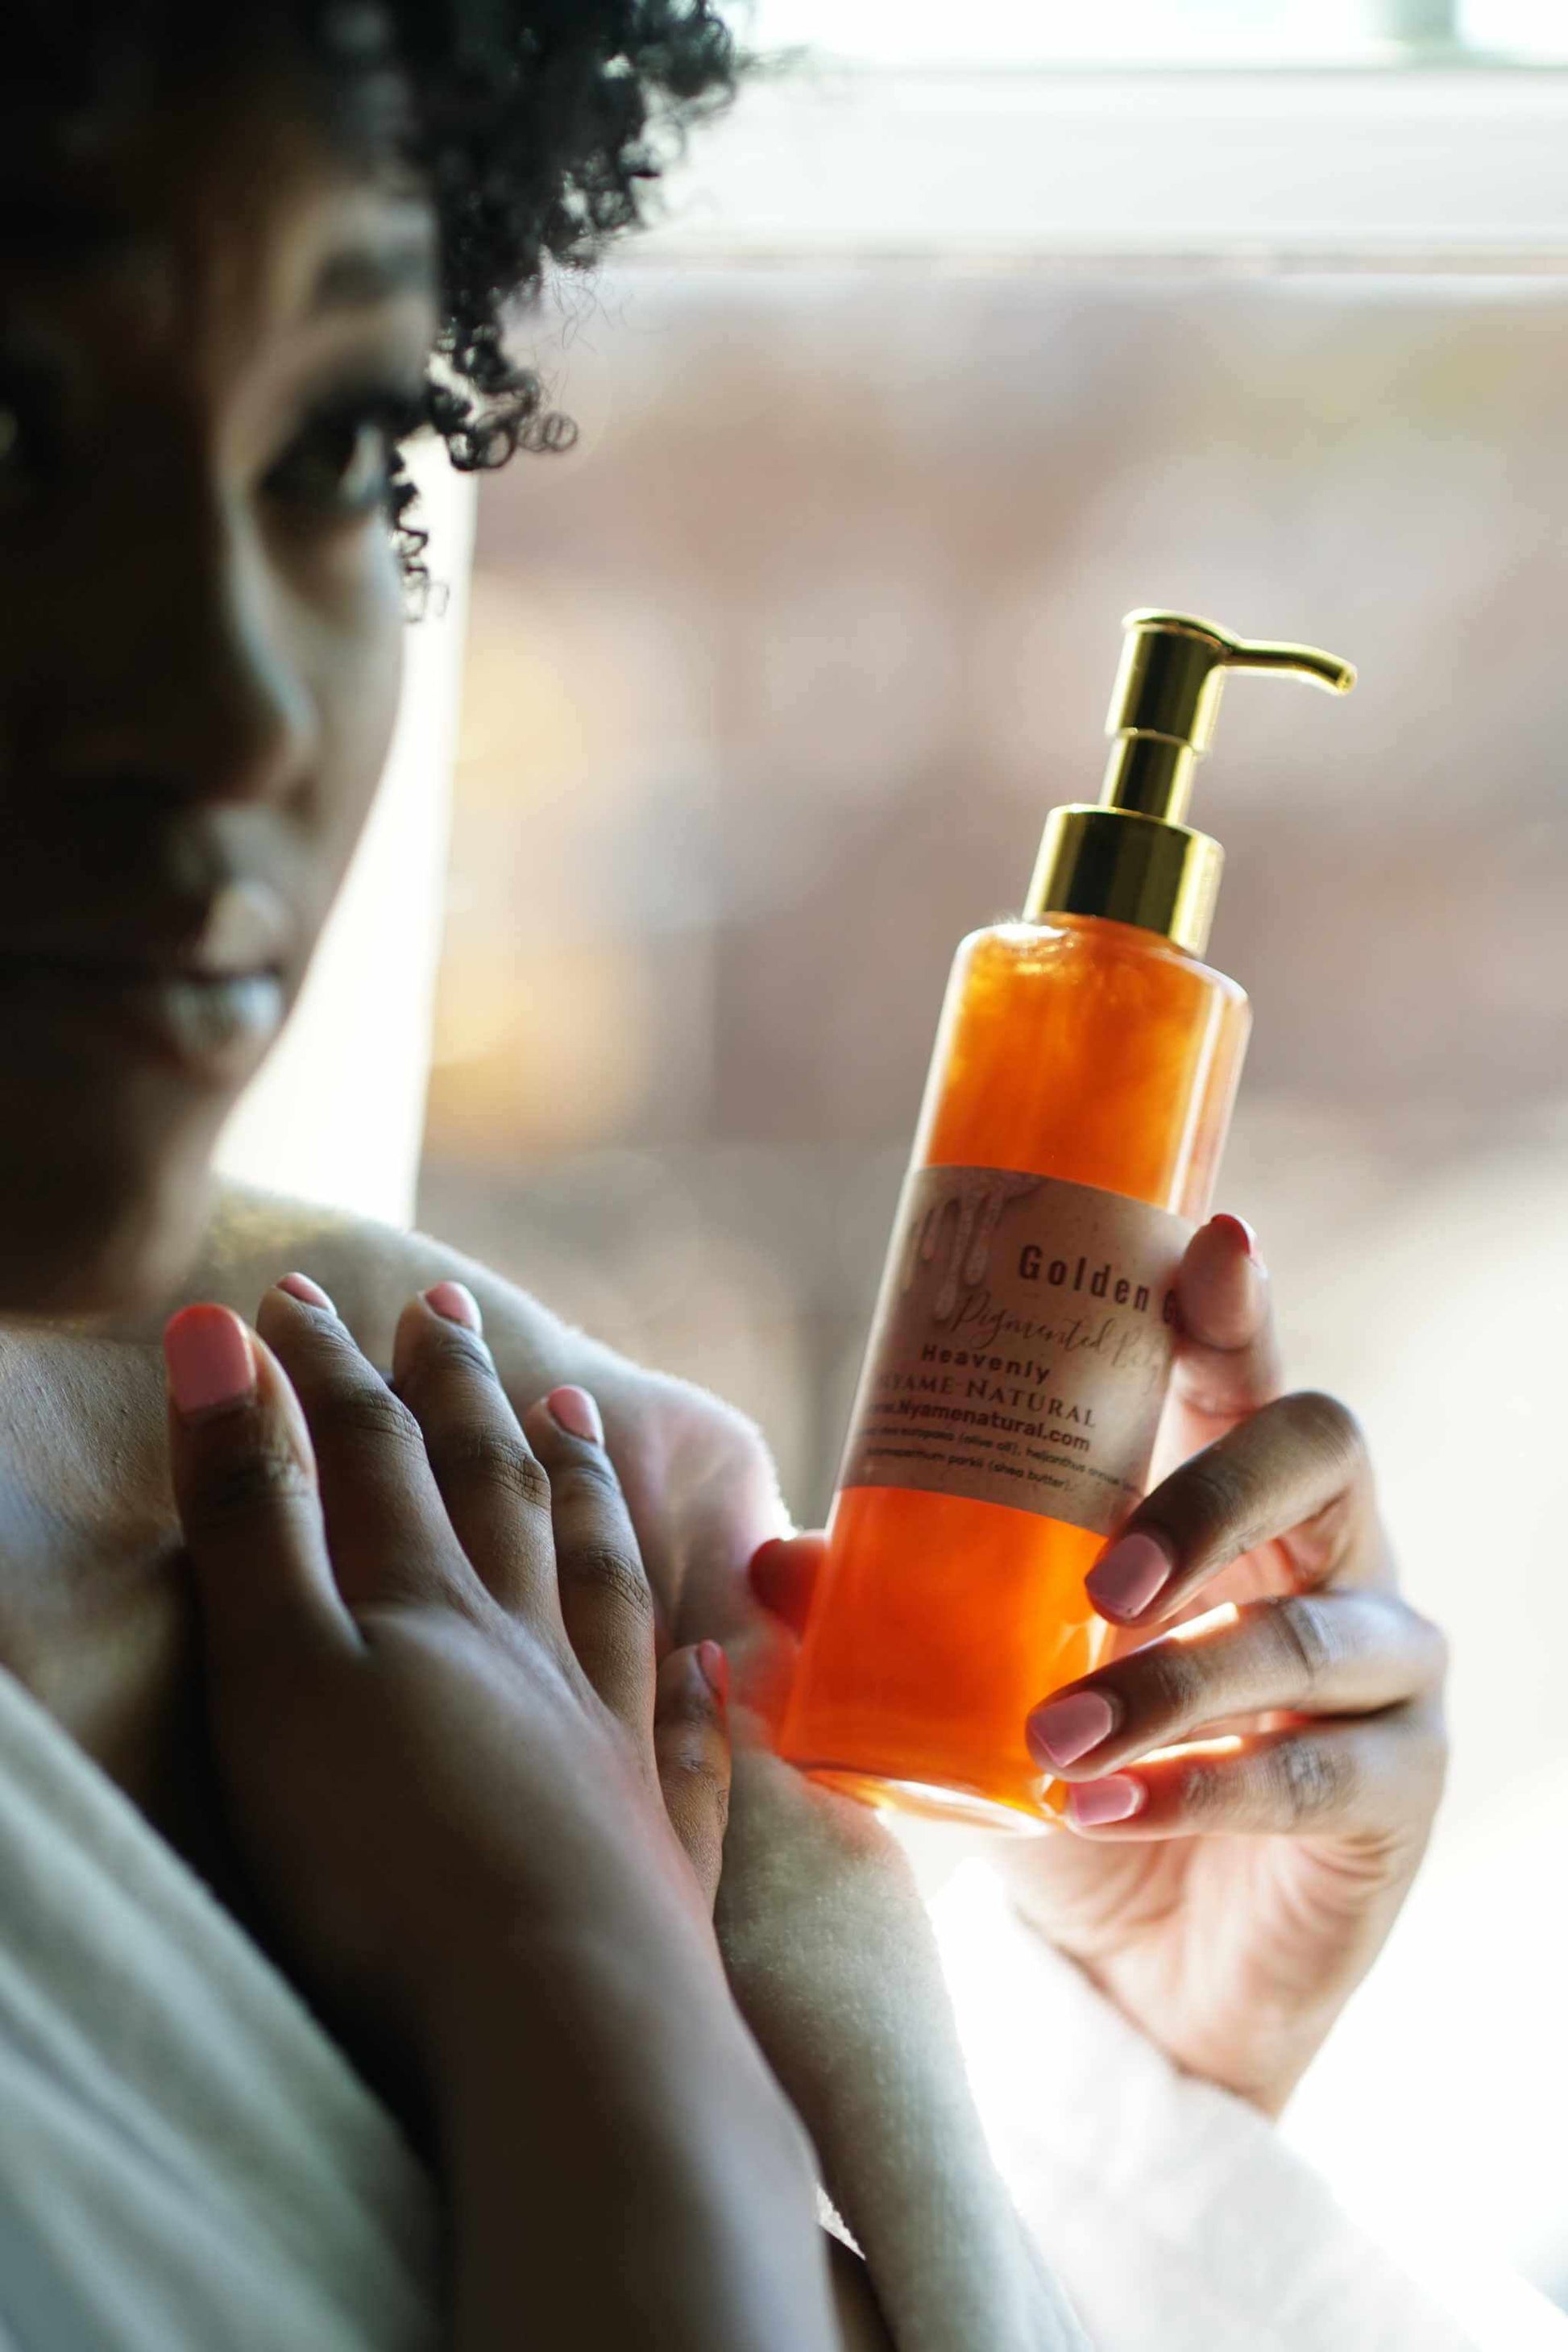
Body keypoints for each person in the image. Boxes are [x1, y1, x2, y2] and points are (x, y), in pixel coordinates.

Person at [0, 2, 1490, 2345]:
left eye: (333, 442)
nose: (240, 705)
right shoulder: (488, 1636)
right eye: (15, 434)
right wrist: (590, 1997)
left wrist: (1133, 2087)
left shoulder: (461, 1439)